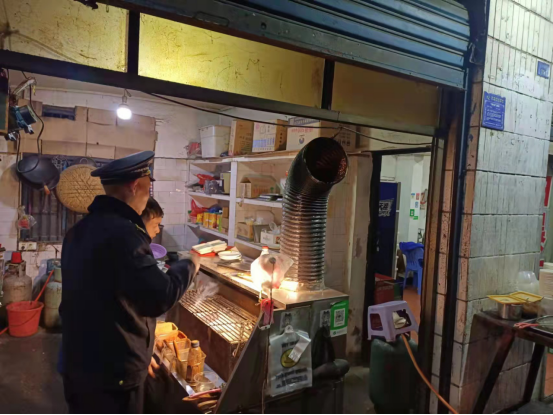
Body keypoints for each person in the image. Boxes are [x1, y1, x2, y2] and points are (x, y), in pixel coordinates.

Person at [60, 151, 199, 414]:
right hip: (112, 376)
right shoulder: (125, 234)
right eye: (148, 186)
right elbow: (160, 297)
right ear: (135, 186)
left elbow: (101, 299)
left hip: (78, 363)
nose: (148, 194)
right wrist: (190, 263)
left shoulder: (80, 230)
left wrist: (140, 350)